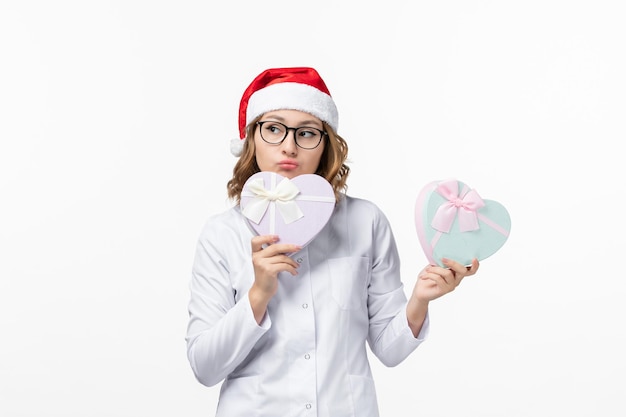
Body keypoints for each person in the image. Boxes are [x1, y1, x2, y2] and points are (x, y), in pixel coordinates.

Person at [185, 67, 479, 417]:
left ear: (326, 145)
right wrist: (258, 294)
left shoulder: (365, 222)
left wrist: (420, 299)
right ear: (252, 139)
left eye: (307, 133)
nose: (289, 146)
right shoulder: (222, 234)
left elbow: (390, 349)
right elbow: (204, 367)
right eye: (274, 129)